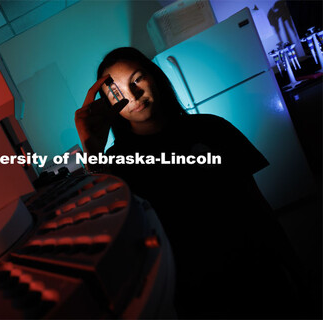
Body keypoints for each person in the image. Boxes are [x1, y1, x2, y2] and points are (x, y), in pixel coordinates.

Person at [75, 47, 305, 318]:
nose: (133, 95)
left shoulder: (211, 128)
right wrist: (91, 148)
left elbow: (257, 206)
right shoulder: (115, 164)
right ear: (108, 104)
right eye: (117, 92)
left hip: (259, 273)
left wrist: (298, 271)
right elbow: (105, 229)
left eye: (137, 79)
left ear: (155, 77)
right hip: (192, 297)